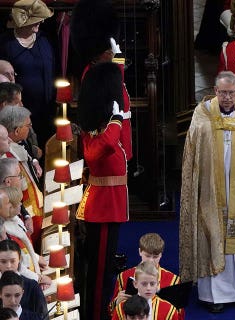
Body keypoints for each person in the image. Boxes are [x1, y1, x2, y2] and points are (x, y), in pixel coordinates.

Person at [180, 71, 235, 313]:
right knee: (212, 232)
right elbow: (193, 151)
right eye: (222, 92)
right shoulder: (203, 113)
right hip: (210, 188)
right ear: (215, 91)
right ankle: (212, 292)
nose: (227, 97)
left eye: (231, 93)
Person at [75, 62, 128, 320]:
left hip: (110, 207)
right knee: (99, 273)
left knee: (104, 270)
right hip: (103, 210)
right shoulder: (95, 135)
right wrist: (116, 119)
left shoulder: (101, 128)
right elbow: (101, 149)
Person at [71, 0, 132, 162]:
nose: (113, 52)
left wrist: (118, 57)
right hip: (111, 140)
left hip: (120, 134)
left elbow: (117, 78)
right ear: (101, 53)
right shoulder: (94, 75)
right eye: (110, 51)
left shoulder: (103, 70)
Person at [0, 0, 55, 148]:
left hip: (46, 109)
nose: (39, 23)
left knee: (46, 148)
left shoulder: (45, 39)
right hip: (20, 112)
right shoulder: (6, 43)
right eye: (35, 21)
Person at [0, 106, 42, 244]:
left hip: (32, 209)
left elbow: (30, 158)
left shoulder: (21, 143)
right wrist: (26, 214)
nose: (30, 129)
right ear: (17, 130)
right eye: (28, 125)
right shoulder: (6, 158)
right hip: (23, 212)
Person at [110, 233, 180, 312]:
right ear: (140, 251)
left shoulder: (173, 280)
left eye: (155, 257)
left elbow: (179, 315)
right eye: (147, 256)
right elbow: (111, 312)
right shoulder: (123, 277)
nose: (151, 261)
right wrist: (117, 302)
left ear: (161, 254)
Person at [112, 262, 179, 320]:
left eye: (152, 284)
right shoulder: (121, 308)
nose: (148, 288)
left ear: (158, 285)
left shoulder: (169, 310)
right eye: (144, 284)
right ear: (135, 284)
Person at [0, 240, 45, 317]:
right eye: (3, 262)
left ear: (19, 260)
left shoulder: (32, 286)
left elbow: (43, 316)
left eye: (12, 261)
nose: (8, 266)